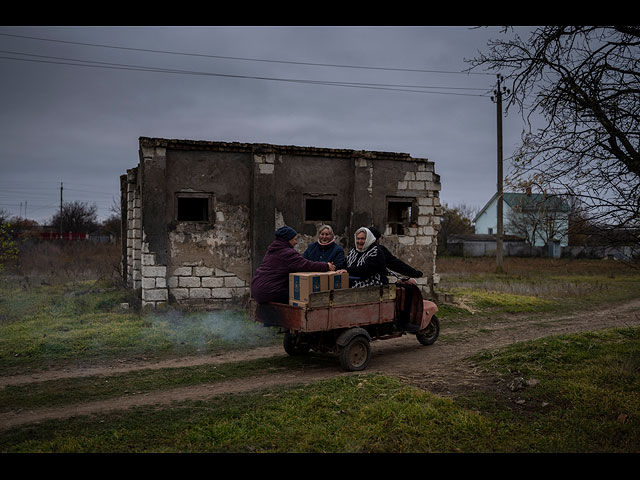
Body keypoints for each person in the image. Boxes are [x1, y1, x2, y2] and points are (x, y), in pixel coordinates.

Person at [250, 225, 336, 304]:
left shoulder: (273, 250)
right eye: (295, 239)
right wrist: (326, 266)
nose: (296, 242)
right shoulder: (287, 253)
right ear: (288, 240)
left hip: (256, 289)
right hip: (268, 292)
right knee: (300, 293)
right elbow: (306, 264)